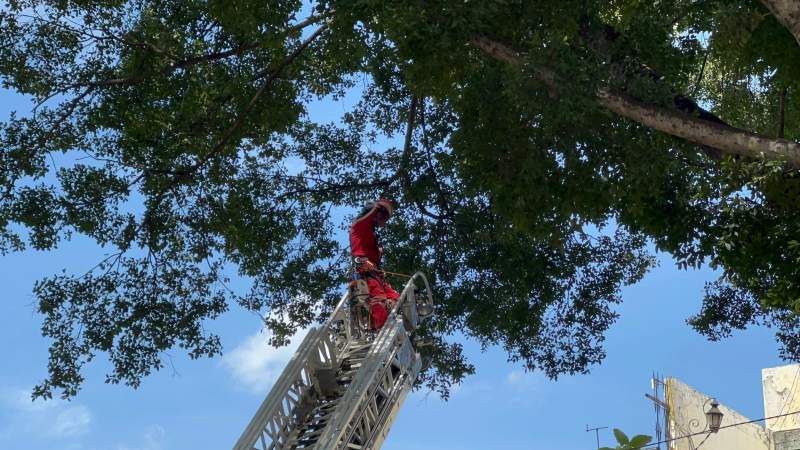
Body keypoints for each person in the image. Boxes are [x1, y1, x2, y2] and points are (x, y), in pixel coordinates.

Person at [349, 198, 400, 330]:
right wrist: (379, 207)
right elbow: (372, 212)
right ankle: (382, 326)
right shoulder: (359, 224)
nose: (383, 222)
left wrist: (378, 253)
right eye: (383, 218)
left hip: (375, 272)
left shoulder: (369, 233)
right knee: (379, 299)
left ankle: (390, 319)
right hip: (366, 269)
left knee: (396, 298)